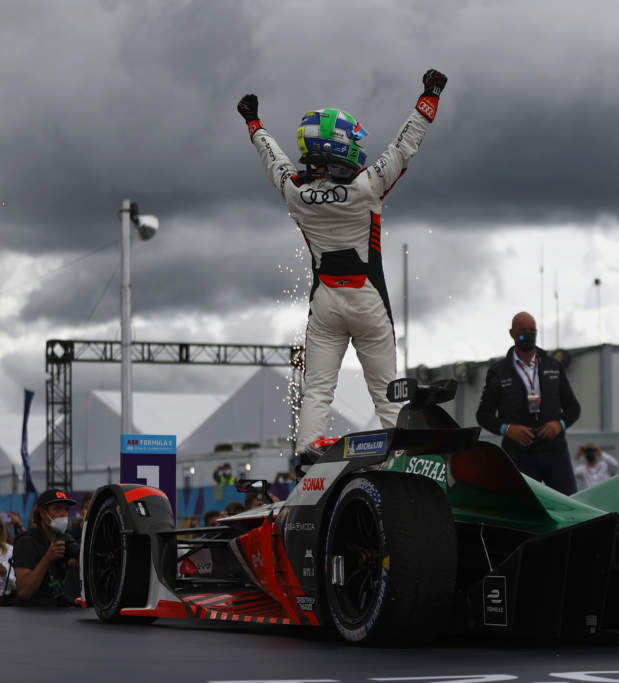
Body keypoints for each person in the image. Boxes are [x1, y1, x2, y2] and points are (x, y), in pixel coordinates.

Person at [238, 68, 448, 455]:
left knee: (317, 388)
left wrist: (254, 123)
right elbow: (404, 147)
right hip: (369, 301)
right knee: (387, 394)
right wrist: (429, 96)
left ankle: (308, 456)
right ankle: (399, 455)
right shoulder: (368, 186)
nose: (358, 144)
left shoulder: (295, 193)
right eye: (352, 138)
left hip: (325, 305)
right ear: (338, 146)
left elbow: (273, 159)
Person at [476, 311, 581, 494]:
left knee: (569, 505)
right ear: (512, 334)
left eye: (532, 330)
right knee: (520, 510)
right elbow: (483, 415)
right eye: (523, 331)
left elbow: (573, 408)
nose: (528, 334)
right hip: (518, 454)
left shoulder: (552, 365)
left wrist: (559, 424)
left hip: (554, 452)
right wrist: (507, 429)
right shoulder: (498, 371)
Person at [12, 489, 79, 607]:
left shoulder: (66, 539)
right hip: (31, 612)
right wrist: (47, 559)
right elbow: (24, 592)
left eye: (66, 509)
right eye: (58, 508)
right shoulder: (26, 542)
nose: (63, 514)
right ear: (43, 513)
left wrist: (75, 568)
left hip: (58, 608)